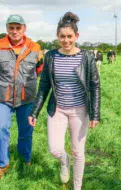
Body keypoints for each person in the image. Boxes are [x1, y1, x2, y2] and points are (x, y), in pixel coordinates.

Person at [28, 12, 100, 190]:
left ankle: (77, 186)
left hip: (80, 110)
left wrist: (95, 114)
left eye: (69, 36)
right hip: (57, 109)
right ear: (57, 37)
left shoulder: (87, 57)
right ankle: (63, 159)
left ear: (76, 36)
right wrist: (35, 111)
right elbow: (44, 85)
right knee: (54, 149)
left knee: (78, 151)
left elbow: (95, 85)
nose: (66, 40)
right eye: (62, 36)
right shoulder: (51, 56)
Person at [0, 14, 43, 181]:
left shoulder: (35, 47)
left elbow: (39, 71)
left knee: (26, 131)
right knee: (0, 128)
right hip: (3, 97)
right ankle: (2, 164)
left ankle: (25, 158)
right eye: (11, 27)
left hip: (27, 97)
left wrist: (24, 86)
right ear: (7, 29)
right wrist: (5, 85)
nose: (15, 31)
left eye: (18, 27)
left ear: (24, 29)